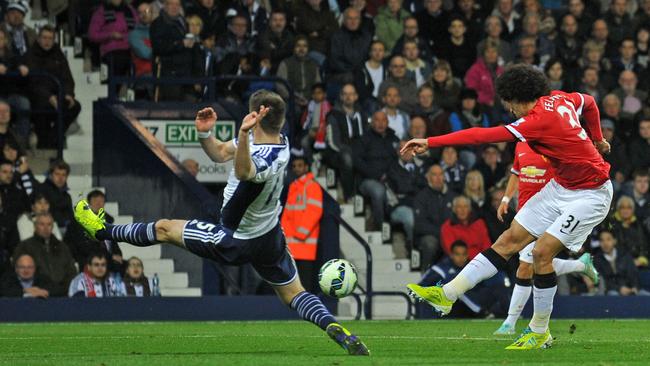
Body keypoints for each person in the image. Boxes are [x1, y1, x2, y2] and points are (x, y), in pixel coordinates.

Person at [73, 90, 369, 355]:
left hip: (238, 238)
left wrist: (241, 134)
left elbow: (243, 171)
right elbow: (219, 152)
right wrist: (205, 134)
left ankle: (101, 230)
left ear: (259, 114)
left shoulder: (269, 155)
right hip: (270, 237)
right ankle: (335, 328)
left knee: (165, 228)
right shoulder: (277, 140)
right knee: (294, 294)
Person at [403, 64, 613, 349]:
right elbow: (588, 102)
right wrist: (598, 138)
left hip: (591, 194)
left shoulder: (534, 121)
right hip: (561, 187)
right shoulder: (560, 97)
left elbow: (479, 135)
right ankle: (448, 294)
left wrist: (430, 141)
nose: (510, 110)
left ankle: (539, 331)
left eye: (509, 104)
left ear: (516, 98)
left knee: (540, 253)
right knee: (508, 240)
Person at [492, 141, 601, 335]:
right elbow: (516, 175)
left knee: (526, 266)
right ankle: (580, 266)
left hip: (549, 212)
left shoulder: (552, 144)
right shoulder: (520, 146)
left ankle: (511, 323)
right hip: (525, 213)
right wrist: (506, 199)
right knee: (535, 262)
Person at [419, 241, 510, 318]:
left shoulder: (472, 267)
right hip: (449, 305)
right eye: (457, 254)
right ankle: (483, 313)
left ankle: (509, 314)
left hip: (472, 300)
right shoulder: (441, 269)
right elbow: (421, 286)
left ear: (467, 255)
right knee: (456, 286)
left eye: (464, 254)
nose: (461, 258)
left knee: (498, 286)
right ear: (451, 255)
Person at [24, 25, 81, 148]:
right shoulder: (30, 55)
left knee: (75, 106)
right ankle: (49, 144)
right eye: (44, 37)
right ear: (39, 38)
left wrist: (69, 94)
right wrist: (49, 97)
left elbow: (67, 78)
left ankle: (50, 141)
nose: (47, 41)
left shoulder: (58, 54)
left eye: (50, 38)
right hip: (37, 97)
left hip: (58, 95)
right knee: (42, 110)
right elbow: (33, 82)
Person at [281, 156, 323, 292]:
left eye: (300, 165)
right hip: (292, 246)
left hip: (305, 247)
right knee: (293, 287)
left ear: (306, 167)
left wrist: (301, 234)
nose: (297, 168)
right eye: (294, 166)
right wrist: (284, 237)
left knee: (304, 286)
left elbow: (314, 212)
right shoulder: (294, 187)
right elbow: (287, 215)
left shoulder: (312, 186)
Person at [353, 110, 400, 231]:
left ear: (388, 122)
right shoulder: (365, 138)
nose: (380, 123)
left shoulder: (393, 138)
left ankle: (395, 226)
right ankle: (380, 228)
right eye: (377, 120)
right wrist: (376, 175)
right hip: (368, 179)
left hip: (390, 178)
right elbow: (357, 162)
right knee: (378, 192)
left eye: (383, 120)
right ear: (372, 122)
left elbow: (397, 161)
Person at [13, 213, 77, 297]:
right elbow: (19, 271)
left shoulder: (63, 247)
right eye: (42, 224)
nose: (46, 228)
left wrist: (62, 290)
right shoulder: (24, 247)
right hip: (36, 295)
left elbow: (71, 272)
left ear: (52, 227)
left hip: (62, 295)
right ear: (35, 226)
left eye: (49, 224)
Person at [323, 83, 366, 201]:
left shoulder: (361, 114)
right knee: (347, 158)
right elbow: (332, 142)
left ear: (356, 96)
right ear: (341, 97)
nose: (348, 97)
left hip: (357, 149)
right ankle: (349, 195)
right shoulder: (333, 115)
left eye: (351, 94)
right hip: (337, 152)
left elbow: (365, 136)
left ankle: (362, 197)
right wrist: (348, 150)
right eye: (345, 94)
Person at [413, 164, 456, 271]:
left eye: (441, 174)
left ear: (444, 177)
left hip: (451, 234)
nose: (438, 178)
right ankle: (425, 274)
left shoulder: (453, 196)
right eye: (434, 174)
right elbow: (420, 225)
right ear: (428, 177)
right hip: (430, 235)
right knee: (430, 243)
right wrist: (441, 232)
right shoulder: (421, 197)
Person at [88, 0, 138, 79]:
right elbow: (92, 34)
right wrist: (110, 35)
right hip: (112, 52)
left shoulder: (130, 10)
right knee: (118, 62)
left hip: (130, 50)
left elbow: (137, 28)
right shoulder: (101, 12)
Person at [593, 229, 645, 296]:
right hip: (612, 291)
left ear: (614, 241)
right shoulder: (597, 260)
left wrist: (635, 287)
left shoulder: (624, 256)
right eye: (602, 240)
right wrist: (619, 289)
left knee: (645, 295)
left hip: (630, 289)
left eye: (608, 239)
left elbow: (633, 274)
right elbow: (603, 281)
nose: (605, 243)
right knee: (613, 294)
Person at [329, 7, 372, 85]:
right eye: (350, 18)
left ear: (360, 20)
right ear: (344, 20)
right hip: (342, 73)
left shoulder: (367, 36)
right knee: (351, 77)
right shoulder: (337, 37)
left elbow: (369, 57)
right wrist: (354, 71)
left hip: (362, 71)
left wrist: (361, 71)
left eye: (356, 18)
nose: (353, 22)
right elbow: (335, 61)